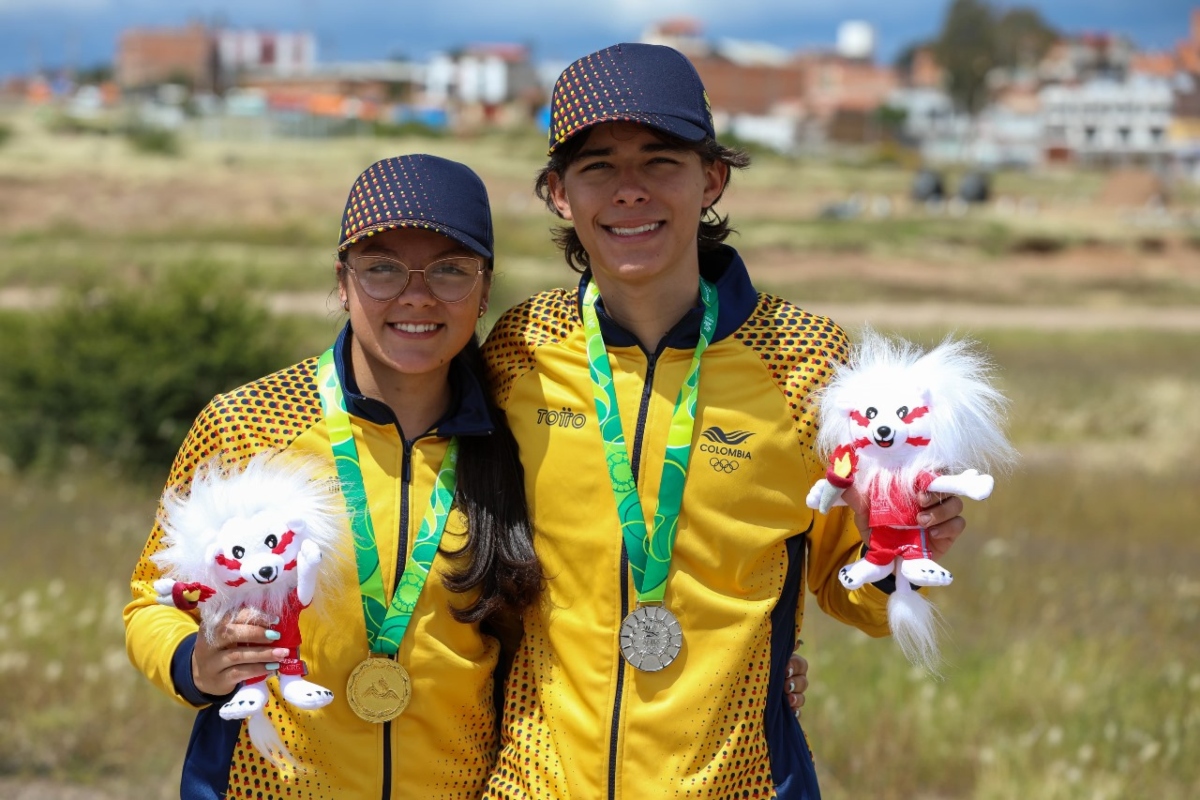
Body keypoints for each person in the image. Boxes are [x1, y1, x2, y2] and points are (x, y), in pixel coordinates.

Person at [479, 43, 967, 799]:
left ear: (711, 179)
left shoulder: (810, 363)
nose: (630, 192)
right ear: (558, 194)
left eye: (660, 161)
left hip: (738, 784)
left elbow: (857, 594)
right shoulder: (519, 350)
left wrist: (904, 543)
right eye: (598, 166)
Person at [124, 154, 543, 800]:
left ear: (485, 289)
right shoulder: (249, 424)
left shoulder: (514, 436)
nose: (416, 295)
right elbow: (152, 603)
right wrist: (195, 663)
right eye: (381, 268)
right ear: (342, 282)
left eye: (451, 270)